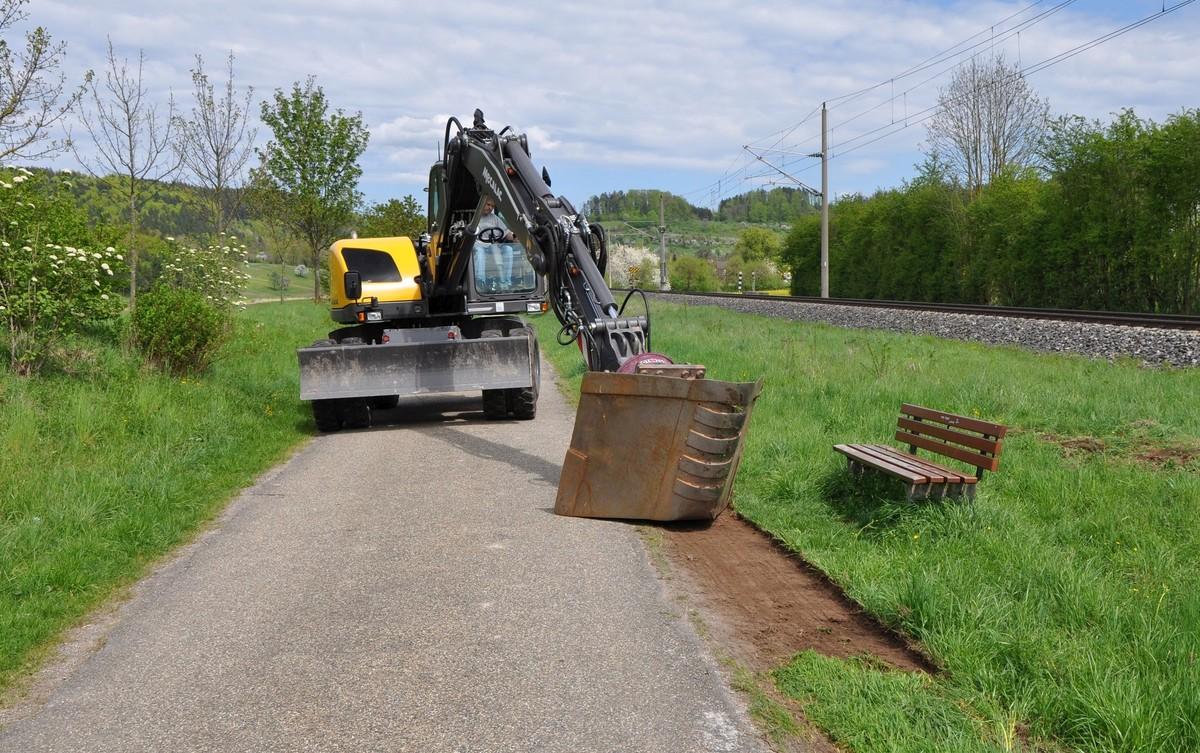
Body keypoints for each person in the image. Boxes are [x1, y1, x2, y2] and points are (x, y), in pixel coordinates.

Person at [474, 197, 515, 288]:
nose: (490, 208)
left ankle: (506, 282)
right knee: (479, 252)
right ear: (482, 203)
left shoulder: (495, 218)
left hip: (494, 246)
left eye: (492, 206)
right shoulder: (474, 218)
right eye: (488, 205)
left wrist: (517, 236)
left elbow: (507, 232)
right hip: (480, 246)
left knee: (508, 249)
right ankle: (481, 282)